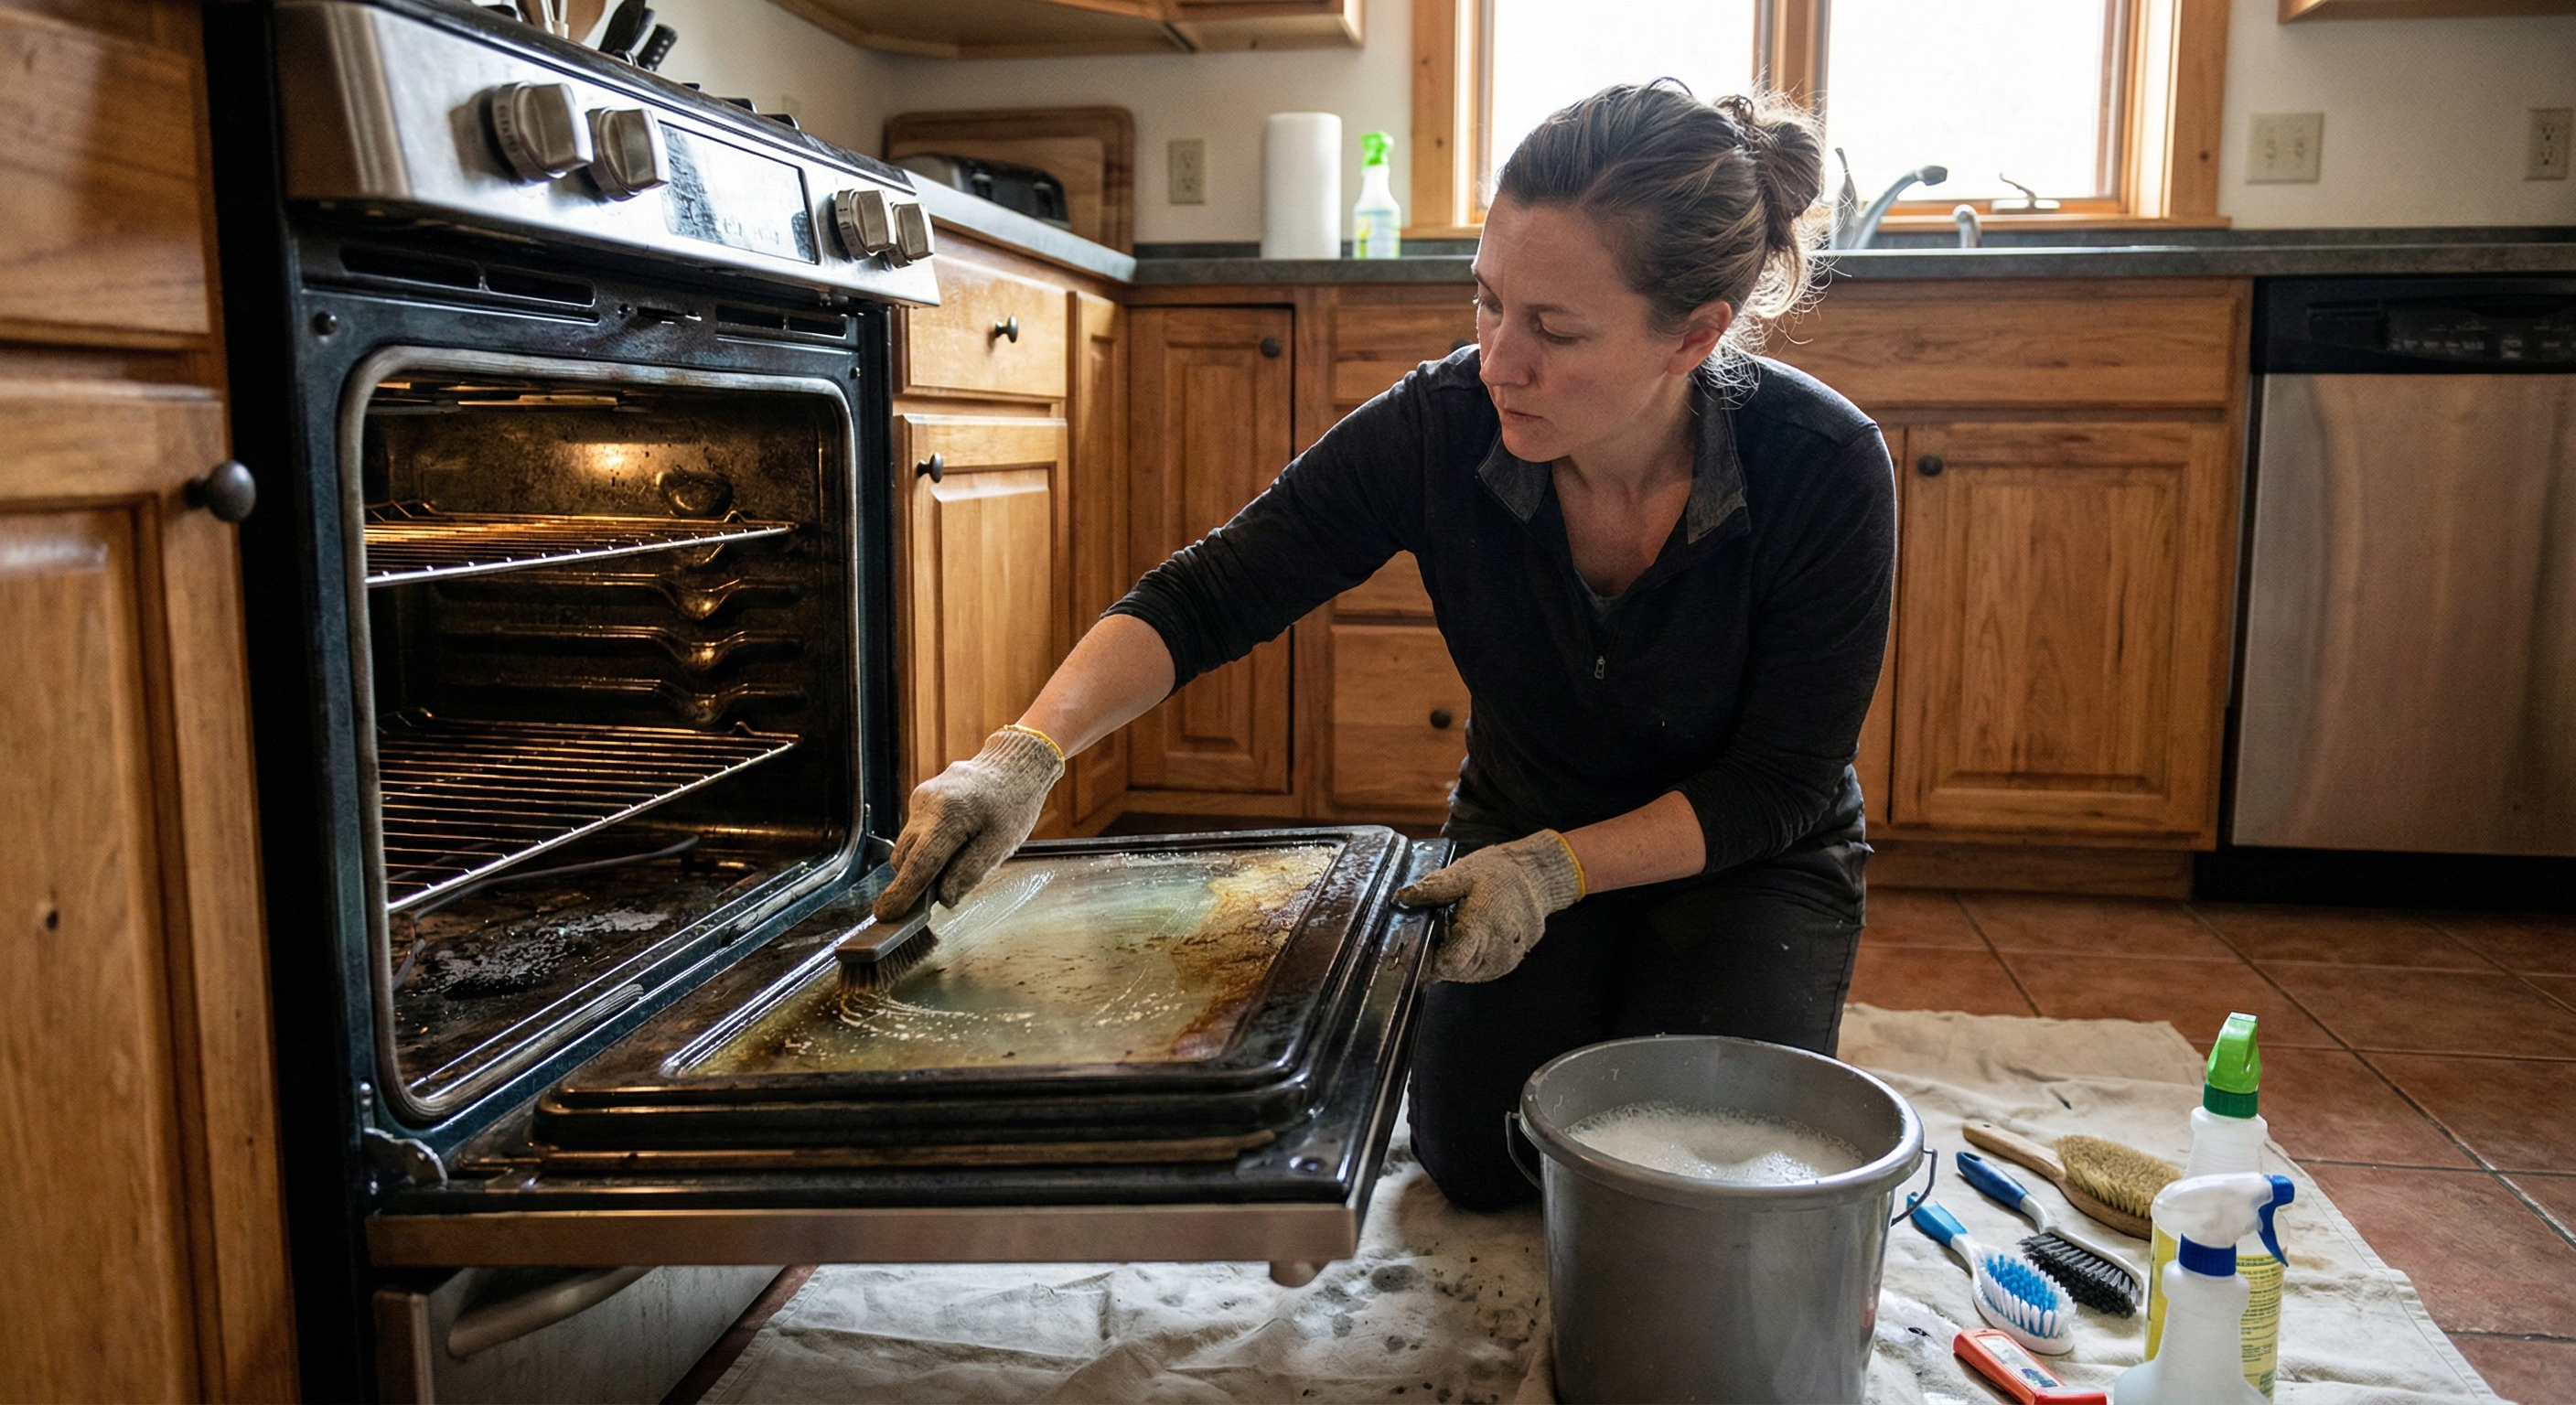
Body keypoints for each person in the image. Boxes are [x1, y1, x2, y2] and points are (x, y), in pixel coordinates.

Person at [871, 80, 1896, 1211]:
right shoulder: (1440, 423)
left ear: (1692, 335)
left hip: (1744, 853)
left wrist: (1557, 871)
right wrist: (1023, 754)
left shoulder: (1821, 464)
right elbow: (1207, 594)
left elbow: (1778, 783)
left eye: (1554, 330)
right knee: (1478, 1159)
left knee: (1704, 1161)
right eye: (1486, 302)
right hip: (1522, 814)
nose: (1498, 360)